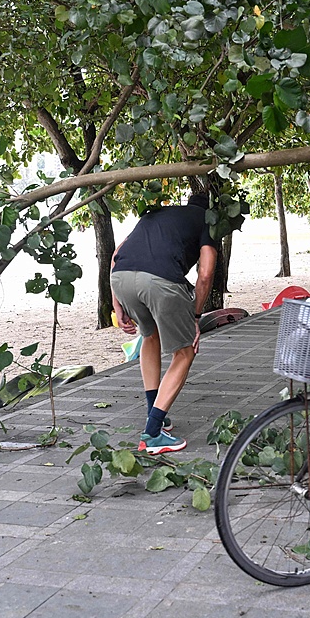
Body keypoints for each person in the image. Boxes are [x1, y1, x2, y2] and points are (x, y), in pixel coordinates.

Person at [111, 192, 218, 455]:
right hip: (160, 282)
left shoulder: (156, 213)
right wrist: (195, 316)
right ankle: (153, 433)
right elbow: (205, 273)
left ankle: (153, 413)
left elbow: (115, 255)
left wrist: (116, 304)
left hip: (121, 278)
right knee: (184, 351)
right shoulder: (208, 221)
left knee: (150, 336)